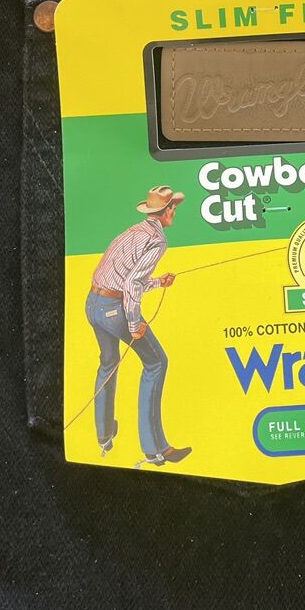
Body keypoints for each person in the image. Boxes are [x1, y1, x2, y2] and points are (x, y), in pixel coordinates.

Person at [85, 185, 192, 465]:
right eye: (173, 208)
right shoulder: (157, 240)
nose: (174, 212)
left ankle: (104, 435)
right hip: (115, 310)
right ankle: (155, 449)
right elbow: (132, 282)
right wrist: (134, 323)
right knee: (156, 362)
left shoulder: (132, 232)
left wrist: (157, 282)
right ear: (166, 211)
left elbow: (124, 277)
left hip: (93, 304)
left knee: (108, 363)